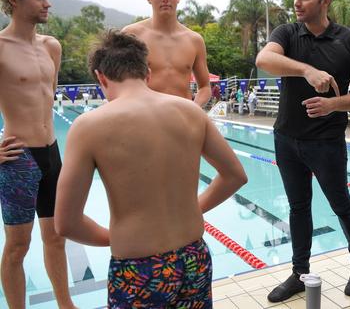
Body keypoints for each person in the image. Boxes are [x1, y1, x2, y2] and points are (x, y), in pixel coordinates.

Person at [53, 31, 247, 308]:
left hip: (137, 269)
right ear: (148, 72)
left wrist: (112, 237)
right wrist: (194, 208)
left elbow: (65, 222)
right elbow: (235, 176)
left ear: (101, 77)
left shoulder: (89, 127)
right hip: (194, 257)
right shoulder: (190, 111)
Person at [256, 0, 350, 302]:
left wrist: (334, 104)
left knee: (341, 204)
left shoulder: (348, 40)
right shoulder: (287, 33)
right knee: (298, 208)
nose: (297, 1)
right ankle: (299, 273)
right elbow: (264, 58)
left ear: (325, 1)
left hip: (326, 142)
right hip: (286, 138)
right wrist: (306, 70)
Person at [0, 0, 76, 309]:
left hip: (52, 153)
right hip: (19, 160)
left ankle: (66, 305)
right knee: (18, 246)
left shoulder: (51, 46)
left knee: (57, 237)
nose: (47, 2)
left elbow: (47, 98)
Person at [122, 0, 211, 107]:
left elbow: (205, 87)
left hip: (183, 120)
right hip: (145, 119)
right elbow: (115, 82)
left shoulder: (194, 41)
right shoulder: (132, 35)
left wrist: (194, 110)